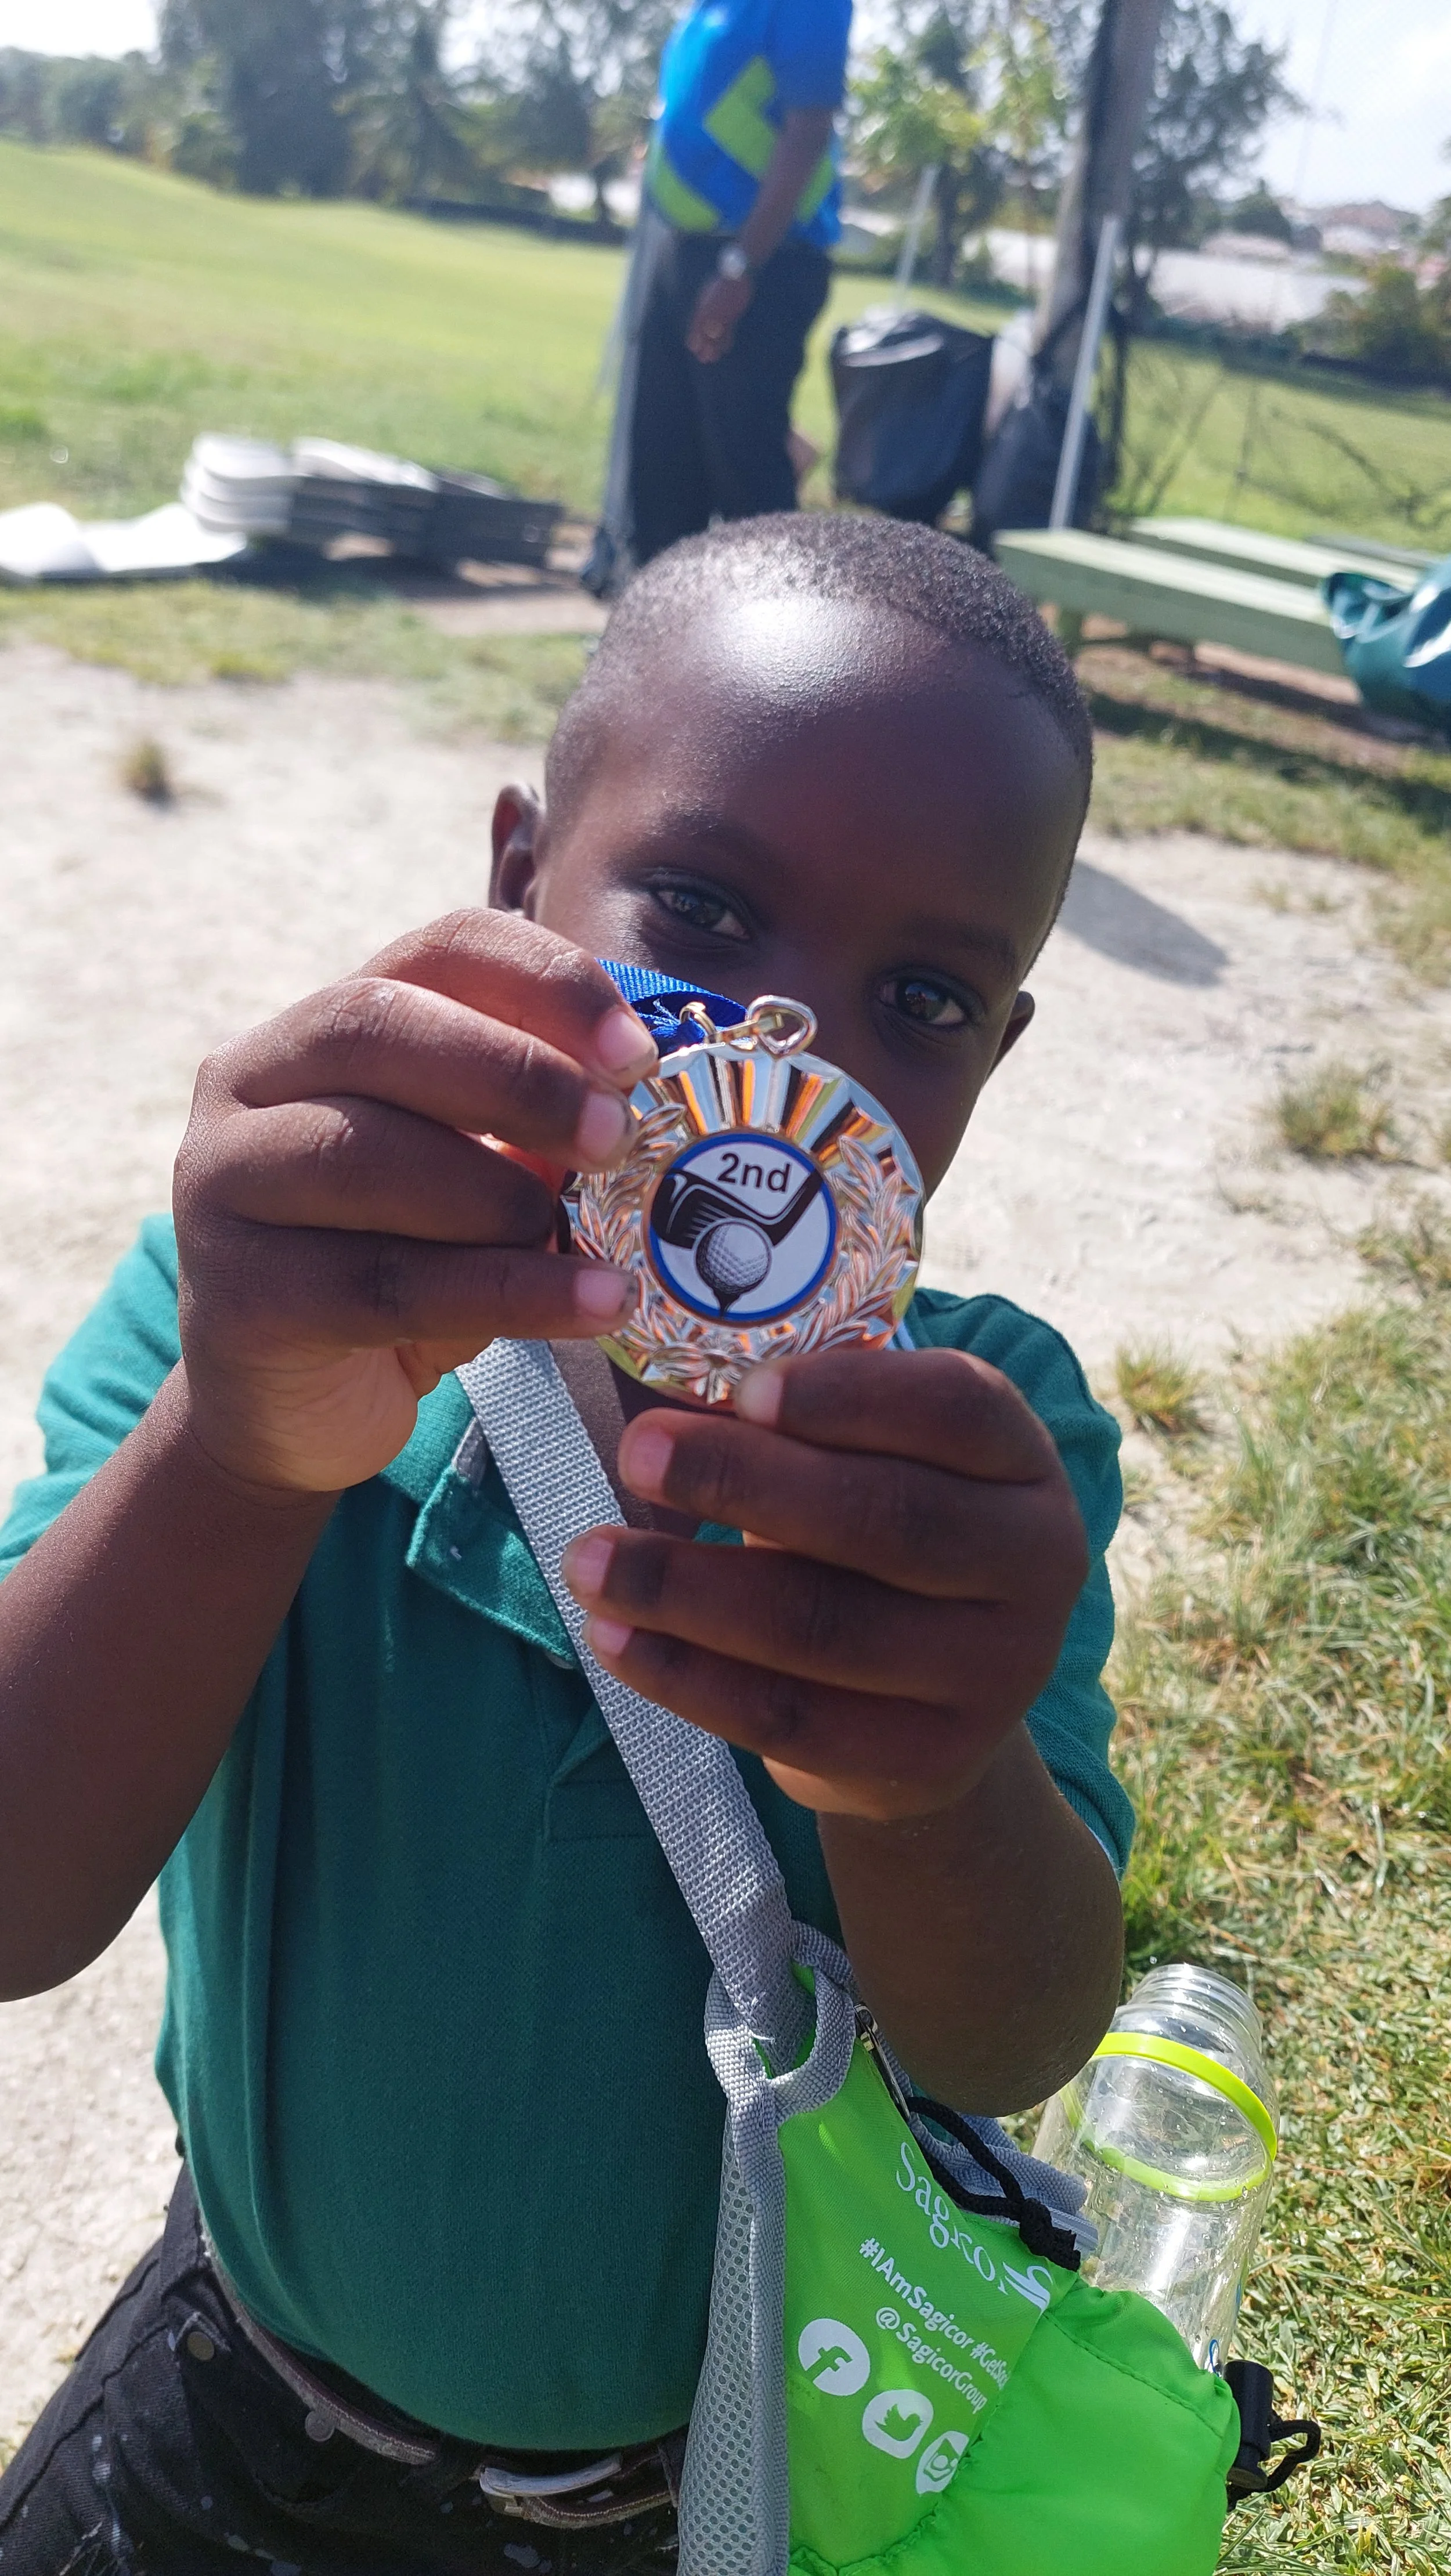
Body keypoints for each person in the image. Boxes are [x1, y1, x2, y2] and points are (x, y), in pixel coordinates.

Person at [0, 511, 1130, 2576]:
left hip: (689, 2489)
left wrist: (928, 1773)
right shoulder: (253, 1306)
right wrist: (241, 1455)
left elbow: (1015, 2035)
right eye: (698, 902)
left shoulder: (980, 1450)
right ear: (520, 870)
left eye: (922, 994)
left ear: (996, 1049)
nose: (780, 1052)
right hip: (231, 2402)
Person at [616, 0, 851, 570]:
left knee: (745, 478)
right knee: (661, 467)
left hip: (758, 263)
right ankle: (657, 650)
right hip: (683, 251)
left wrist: (741, 266)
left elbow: (808, 130)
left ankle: (772, 655)